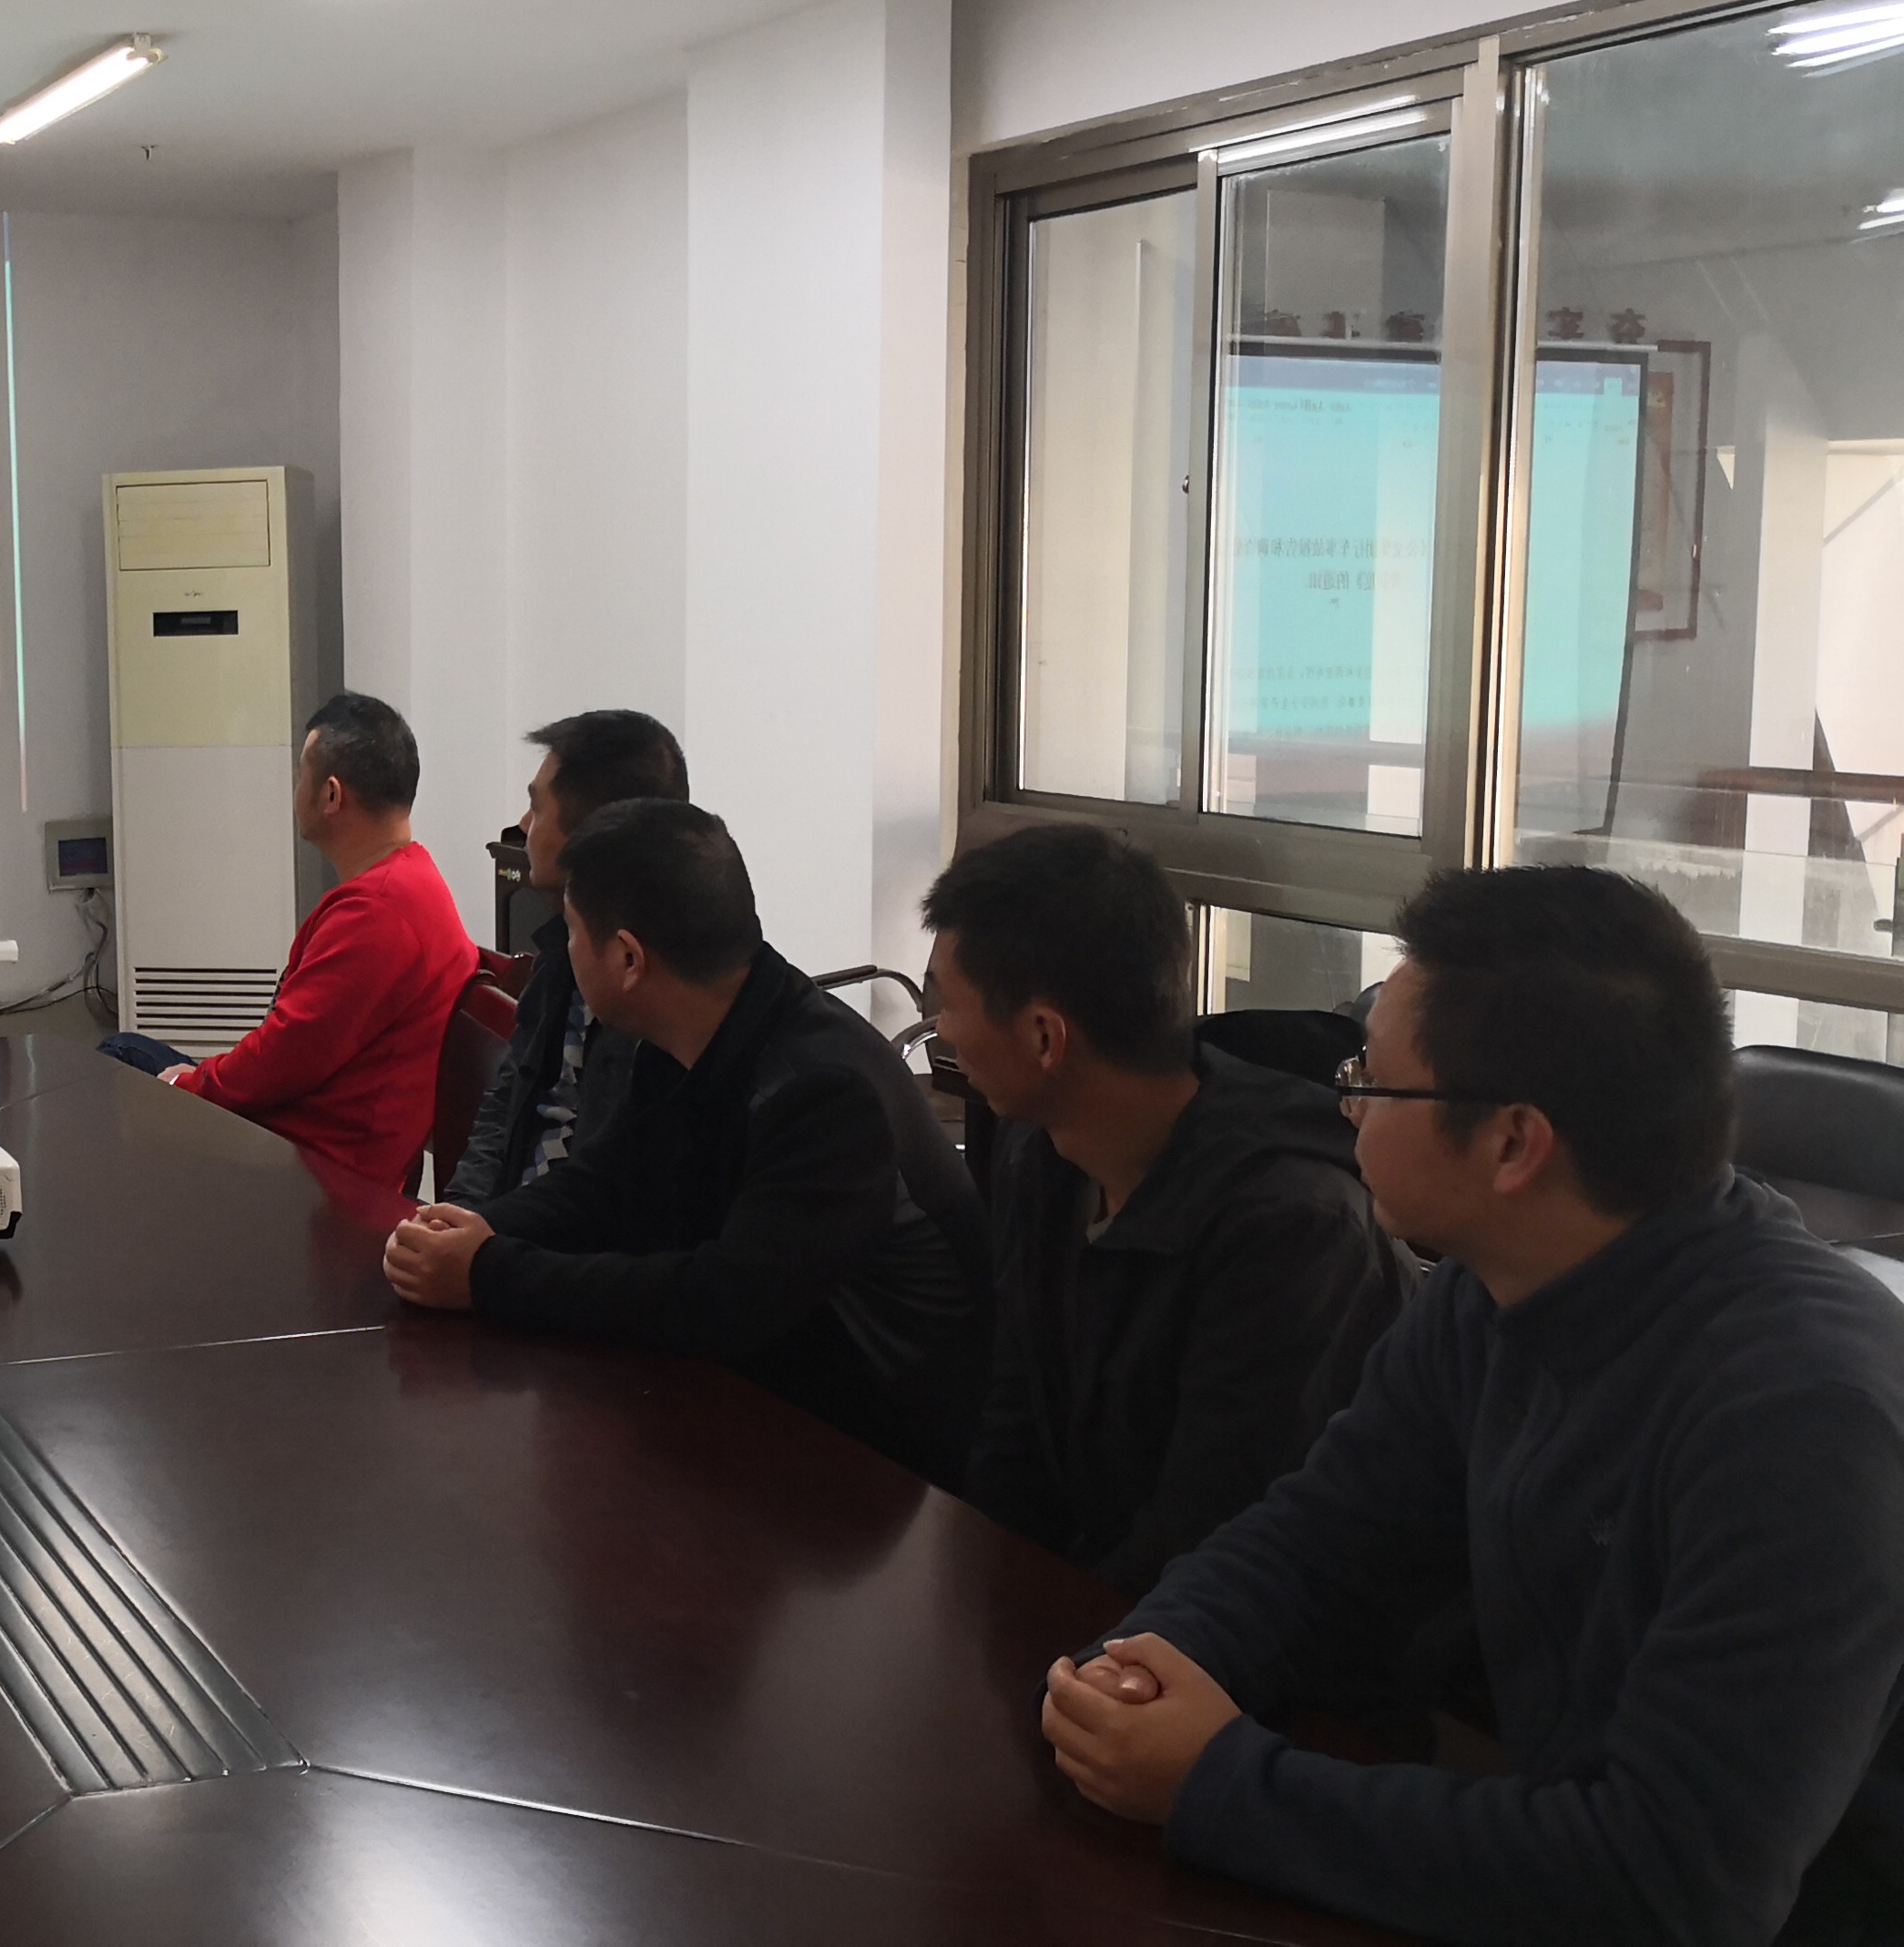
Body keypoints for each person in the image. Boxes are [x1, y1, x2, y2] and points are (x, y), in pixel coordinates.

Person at [1039, 866, 1904, 1944]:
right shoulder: (1495, 1285)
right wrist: (1144, 1662)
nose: (1345, 1102)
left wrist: (1215, 1781)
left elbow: (1671, 1884)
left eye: (1370, 1078)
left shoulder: (1802, 1419)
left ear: (1510, 1143)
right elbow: (1319, 1537)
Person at [382, 800, 986, 1483]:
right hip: (757, 1405)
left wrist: (488, 1272)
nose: (563, 952)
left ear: (628, 958)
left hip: (884, 1466)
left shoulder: (824, 1091)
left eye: (572, 931)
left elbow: (723, 1301)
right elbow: (604, 1184)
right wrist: (472, 1229)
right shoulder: (689, 1029)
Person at [922, 824, 1413, 1595]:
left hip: (1235, 1634)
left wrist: (1063, 1642)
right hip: (1099, 1608)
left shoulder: (1291, 1225)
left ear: (1045, 1037)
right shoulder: (1040, 1150)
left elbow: (1211, 1525)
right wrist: (989, 1590)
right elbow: (1017, 1417)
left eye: (946, 1005)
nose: (940, 1031)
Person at [98, 691, 477, 1192]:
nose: (295, 791)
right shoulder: (408, 883)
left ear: (331, 796)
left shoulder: (379, 911)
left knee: (117, 1064)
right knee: (127, 1052)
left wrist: (187, 1085)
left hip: (313, 1172)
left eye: (301, 776)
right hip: (325, 1139)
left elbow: (279, 1063)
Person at [444, 709, 687, 1204]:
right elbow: (505, 1108)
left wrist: (491, 1238)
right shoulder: (560, 951)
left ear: (593, 836)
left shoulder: (657, 1001)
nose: (522, 825)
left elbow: (604, 1196)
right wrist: (455, 1215)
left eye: (536, 808)